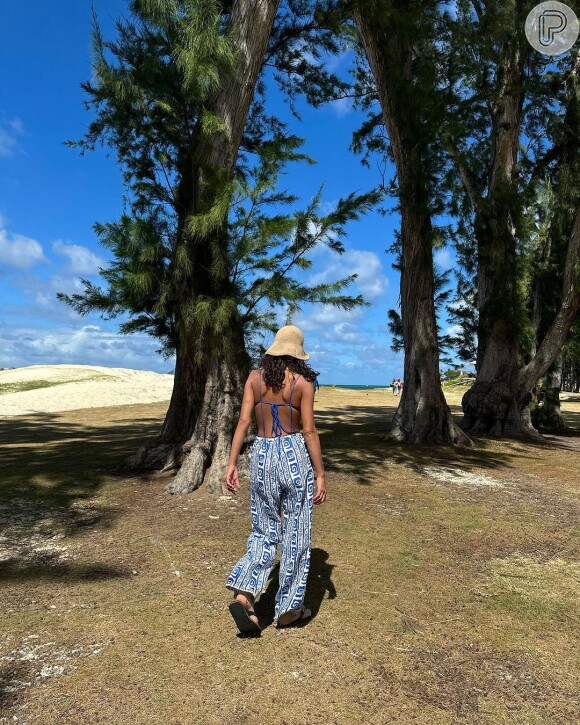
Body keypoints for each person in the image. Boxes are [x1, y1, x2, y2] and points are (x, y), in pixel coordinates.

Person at [225, 325, 326, 636]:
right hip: (294, 452)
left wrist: (231, 463)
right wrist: (320, 472)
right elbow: (309, 430)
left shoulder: (255, 378)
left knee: (264, 529)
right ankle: (288, 610)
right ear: (297, 354)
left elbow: (243, 421)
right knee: (296, 532)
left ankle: (245, 593)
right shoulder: (303, 383)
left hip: (263, 454)